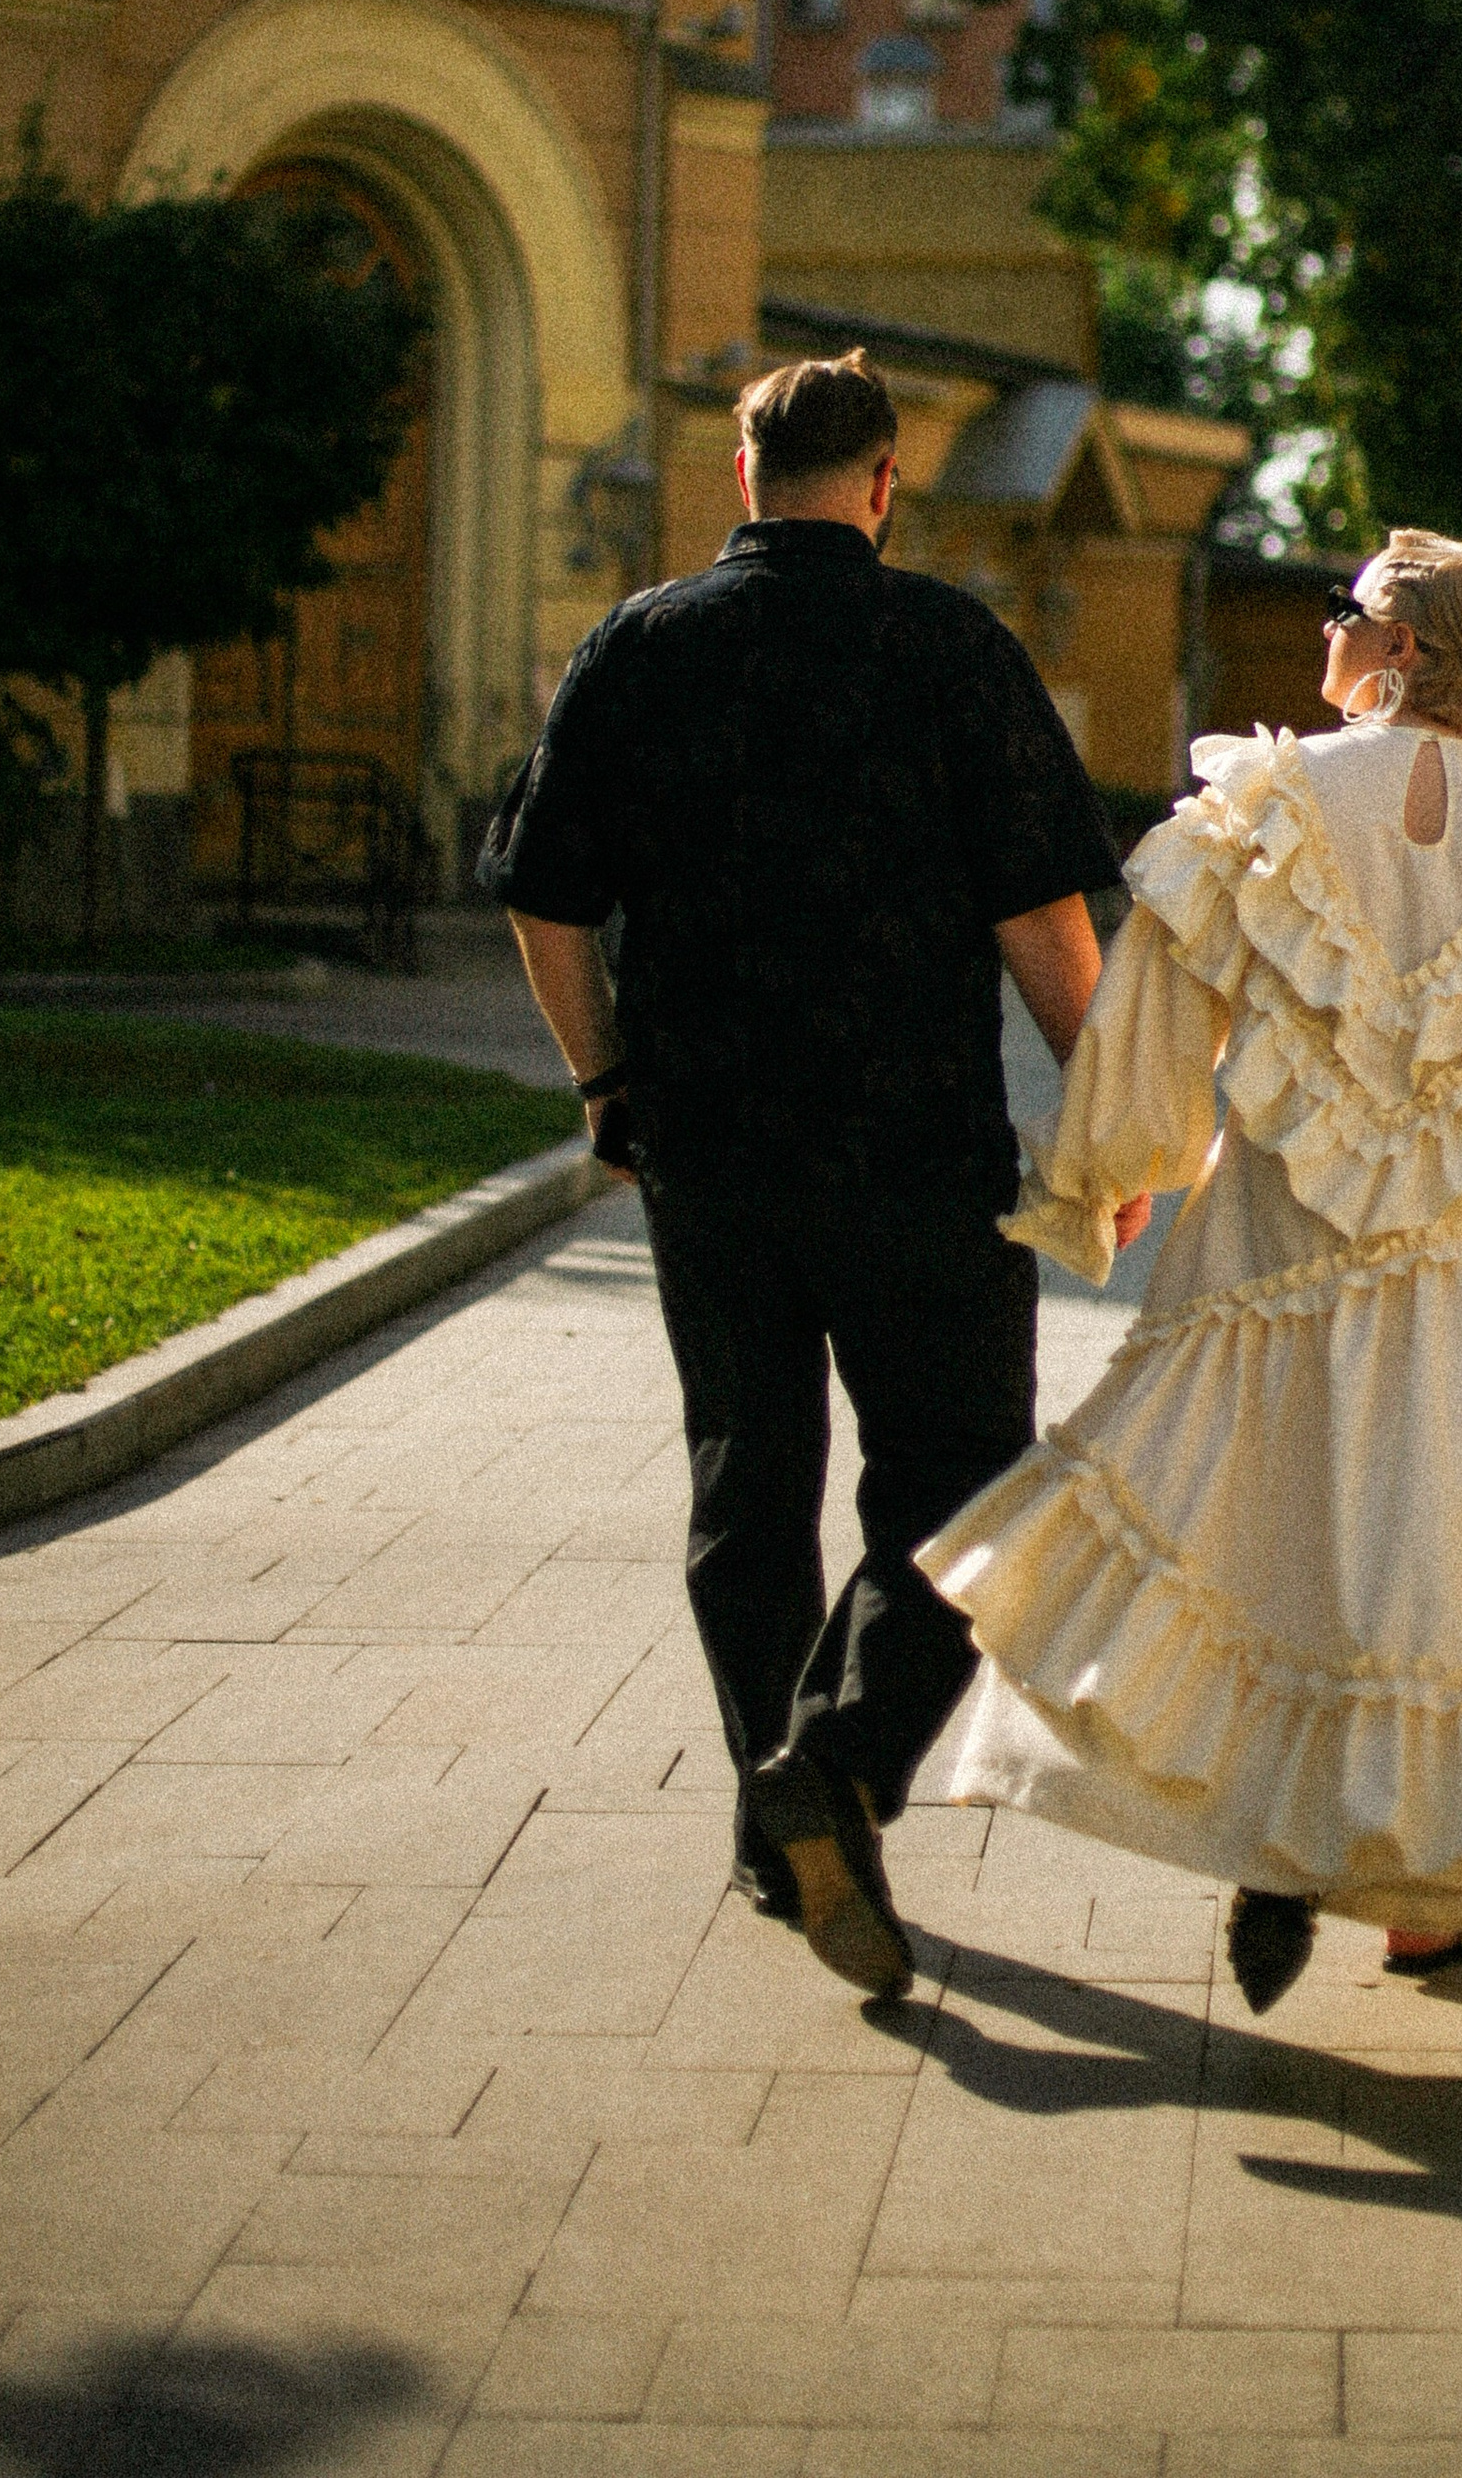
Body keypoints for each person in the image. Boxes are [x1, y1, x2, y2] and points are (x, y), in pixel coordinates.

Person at [919, 527, 1462, 2013]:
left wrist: (1112, 1170)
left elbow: (1156, 1016)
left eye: (1346, 612)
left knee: (1265, 1534)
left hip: (1283, 1247)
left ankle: (1286, 1844)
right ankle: (1412, 1897)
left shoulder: (1261, 809)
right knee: (1445, 1574)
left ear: (1404, 651)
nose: (1325, 630)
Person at [479, 351, 1120, 2002]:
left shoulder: (640, 645)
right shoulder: (951, 649)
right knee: (972, 1485)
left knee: (745, 1481)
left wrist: (605, 1077)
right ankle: (834, 1767)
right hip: (915, 1149)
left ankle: (780, 1819)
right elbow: (1045, 920)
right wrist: (1114, 1124)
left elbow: (544, 900)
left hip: (708, 1150)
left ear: (743, 475)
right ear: (886, 481)